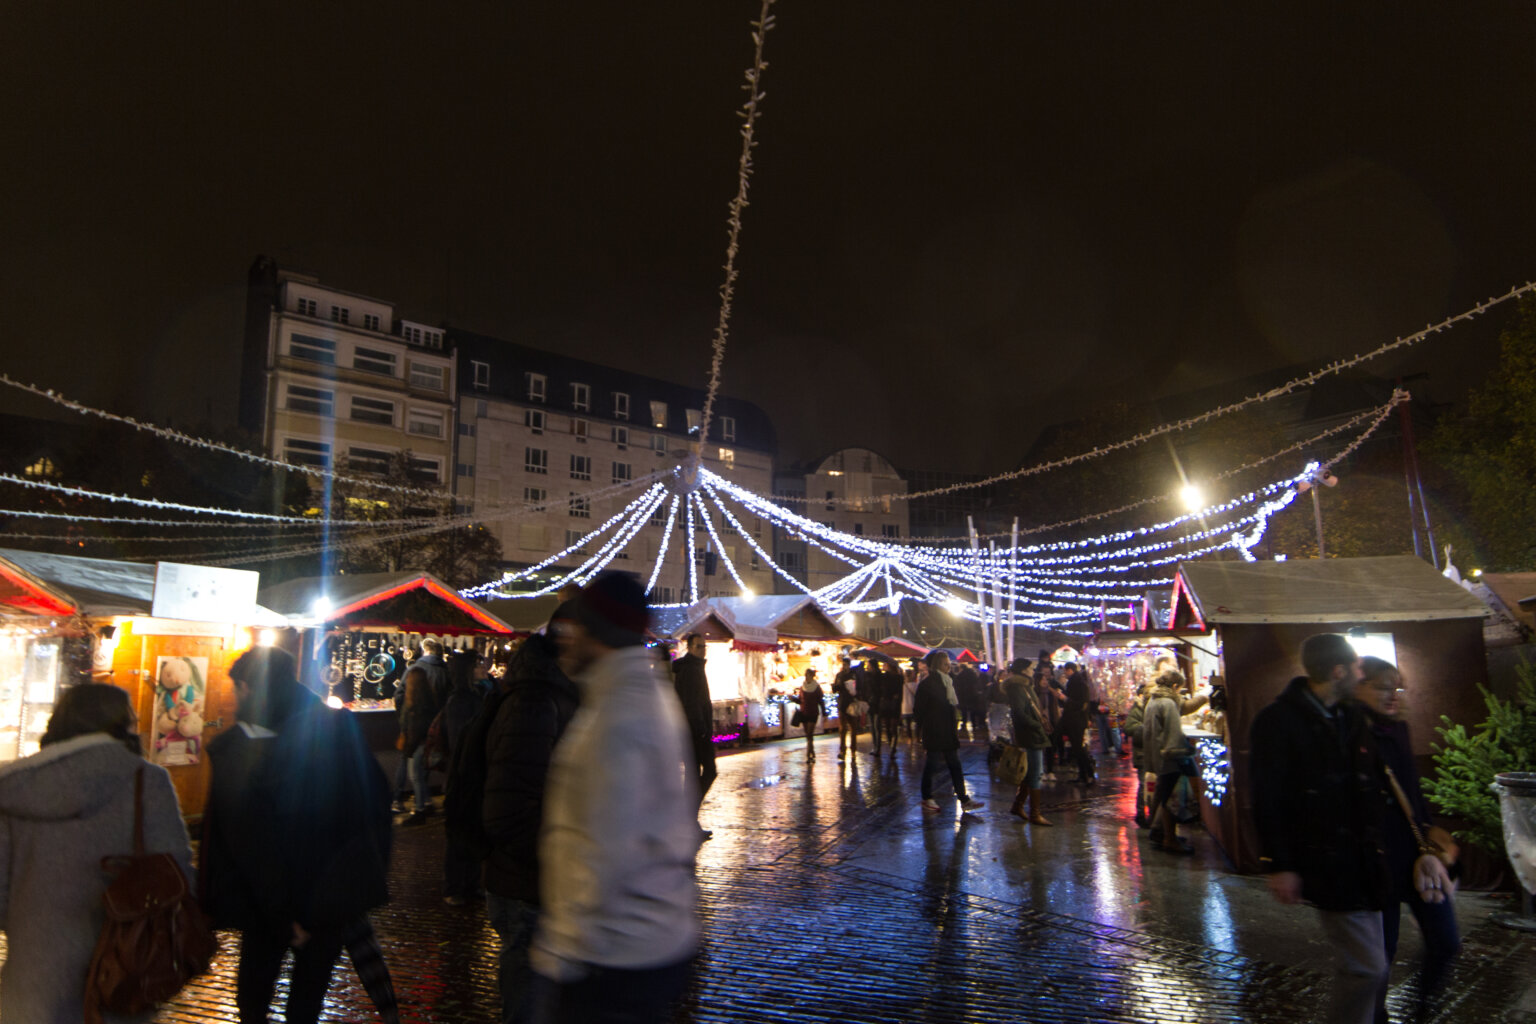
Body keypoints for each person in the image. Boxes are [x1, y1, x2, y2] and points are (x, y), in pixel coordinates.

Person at [1251, 634, 1453, 1024]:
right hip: (1330, 858)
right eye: (1360, 670)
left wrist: (1426, 842)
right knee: (1368, 966)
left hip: (1369, 856)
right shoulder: (1278, 721)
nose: (1362, 675)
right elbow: (1268, 796)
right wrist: (1281, 863)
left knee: (1375, 960)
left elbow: (1385, 786)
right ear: (1339, 671)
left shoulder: (1349, 717)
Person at [526, 573, 699, 1024]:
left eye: (571, 630)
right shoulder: (640, 696)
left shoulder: (617, 718)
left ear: (594, 633)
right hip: (640, 942)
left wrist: (563, 945)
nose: (563, 641)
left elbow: (608, 848)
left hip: (611, 957)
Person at [202, 645, 392, 1024]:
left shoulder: (244, 750)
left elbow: (250, 841)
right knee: (306, 1001)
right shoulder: (334, 728)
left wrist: (281, 913)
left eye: (238, 689)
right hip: (329, 898)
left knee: (254, 997)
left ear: (248, 688)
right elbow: (375, 801)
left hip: (270, 904)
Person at [0, 683, 193, 1023]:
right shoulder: (147, 782)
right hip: (122, 976)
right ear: (123, 723)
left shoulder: (14, 787)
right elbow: (176, 877)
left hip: (33, 983)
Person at [1350, 657, 1461, 1024]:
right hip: (1377, 859)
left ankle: (1421, 1010)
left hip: (1416, 855)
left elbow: (1410, 793)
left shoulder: (1397, 730)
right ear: (1357, 686)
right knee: (1383, 952)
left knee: (1445, 941)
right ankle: (1376, 1017)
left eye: (1397, 687)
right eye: (1384, 687)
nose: (1393, 695)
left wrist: (1431, 834)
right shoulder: (1346, 734)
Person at [481, 628, 580, 1024]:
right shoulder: (537, 704)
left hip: (528, 881)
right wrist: (551, 862)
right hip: (525, 885)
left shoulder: (543, 698)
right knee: (528, 1003)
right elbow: (509, 807)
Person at [441, 649, 488, 905]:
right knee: (459, 830)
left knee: (470, 828)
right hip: (463, 773)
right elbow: (460, 738)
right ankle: (454, 886)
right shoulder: (460, 700)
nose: (483, 667)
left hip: (471, 771)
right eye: (478, 664)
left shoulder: (478, 695)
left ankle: (468, 884)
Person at [915, 650, 983, 813]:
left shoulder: (947, 682)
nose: (949, 667)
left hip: (946, 730)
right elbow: (919, 711)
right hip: (935, 730)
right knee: (932, 764)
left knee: (954, 764)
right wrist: (924, 729)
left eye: (949, 664)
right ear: (938, 664)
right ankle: (926, 796)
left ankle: (964, 799)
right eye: (945, 664)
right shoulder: (929, 683)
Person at [1142, 669, 1194, 854]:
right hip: (1168, 758)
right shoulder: (1168, 704)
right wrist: (1183, 753)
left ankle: (1161, 833)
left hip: (1157, 756)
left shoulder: (1153, 700)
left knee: (1164, 796)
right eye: (1179, 688)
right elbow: (1173, 733)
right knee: (1171, 800)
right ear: (1174, 686)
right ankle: (1169, 839)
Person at [671, 633, 718, 832]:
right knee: (707, 771)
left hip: (694, 729)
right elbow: (691, 702)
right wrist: (701, 728)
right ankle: (687, 819)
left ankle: (688, 820)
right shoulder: (690, 669)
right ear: (689, 647)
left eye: (704, 646)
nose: (702, 650)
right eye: (698, 646)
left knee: (695, 775)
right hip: (695, 730)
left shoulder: (694, 667)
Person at [1002, 658, 1051, 825]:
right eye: (1030, 668)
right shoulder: (1017, 688)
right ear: (1023, 670)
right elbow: (1019, 713)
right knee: (1036, 773)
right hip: (1030, 734)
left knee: (1029, 772)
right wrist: (1036, 725)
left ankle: (1018, 805)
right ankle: (1035, 813)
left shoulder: (1025, 686)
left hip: (1032, 732)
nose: (1033, 670)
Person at [1056, 662, 1096, 785]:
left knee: (1078, 748)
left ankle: (1088, 774)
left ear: (1070, 670)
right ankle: (1084, 775)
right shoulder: (1076, 682)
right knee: (1077, 748)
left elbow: (1081, 704)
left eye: (1066, 671)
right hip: (1075, 720)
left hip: (1076, 720)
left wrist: (1064, 699)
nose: (1064, 674)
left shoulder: (1077, 683)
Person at [1125, 680, 1154, 827]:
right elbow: (1129, 728)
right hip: (1142, 753)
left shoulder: (1154, 707)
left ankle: (1153, 814)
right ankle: (1141, 814)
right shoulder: (1138, 709)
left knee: (1151, 784)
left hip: (1153, 752)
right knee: (1144, 784)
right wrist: (1148, 729)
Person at [832, 656, 863, 760]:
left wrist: (856, 693)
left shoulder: (854, 675)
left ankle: (853, 749)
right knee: (842, 728)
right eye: (843, 665)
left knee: (853, 727)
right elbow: (836, 689)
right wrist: (835, 686)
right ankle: (842, 750)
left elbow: (858, 688)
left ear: (849, 665)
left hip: (851, 703)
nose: (844, 667)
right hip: (842, 703)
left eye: (845, 665)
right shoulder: (839, 675)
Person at [796, 668, 827, 760]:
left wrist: (824, 713)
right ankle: (811, 750)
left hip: (813, 712)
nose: (806, 677)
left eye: (807, 675)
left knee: (810, 732)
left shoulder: (816, 687)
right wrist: (793, 699)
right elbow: (800, 700)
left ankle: (808, 753)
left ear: (812, 676)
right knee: (808, 734)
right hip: (804, 712)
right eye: (805, 675)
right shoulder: (803, 687)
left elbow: (821, 701)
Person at [901, 658, 922, 744]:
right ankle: (917, 738)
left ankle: (909, 738)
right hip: (914, 706)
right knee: (917, 723)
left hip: (905, 707)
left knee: (908, 724)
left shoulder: (903, 686)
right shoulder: (915, 685)